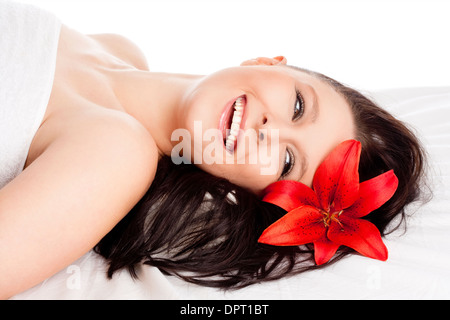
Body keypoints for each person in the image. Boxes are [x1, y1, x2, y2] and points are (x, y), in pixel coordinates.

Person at [0, 2, 426, 298]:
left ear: (251, 194)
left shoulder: (117, 153)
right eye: (297, 106)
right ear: (269, 61)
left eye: (286, 161)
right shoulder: (118, 48)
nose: (269, 131)